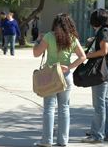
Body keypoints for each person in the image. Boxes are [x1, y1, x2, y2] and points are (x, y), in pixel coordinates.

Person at [33, 14, 86, 147]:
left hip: (50, 75)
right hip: (65, 75)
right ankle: (63, 141)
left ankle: (46, 141)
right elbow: (82, 56)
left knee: (49, 109)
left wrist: (38, 40)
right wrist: (69, 67)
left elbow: (36, 53)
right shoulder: (72, 38)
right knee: (64, 108)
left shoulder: (49, 36)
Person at [82, 9, 108, 143]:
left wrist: (86, 56)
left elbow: (103, 51)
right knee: (106, 103)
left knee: (99, 105)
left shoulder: (103, 32)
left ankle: (97, 136)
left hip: (102, 72)